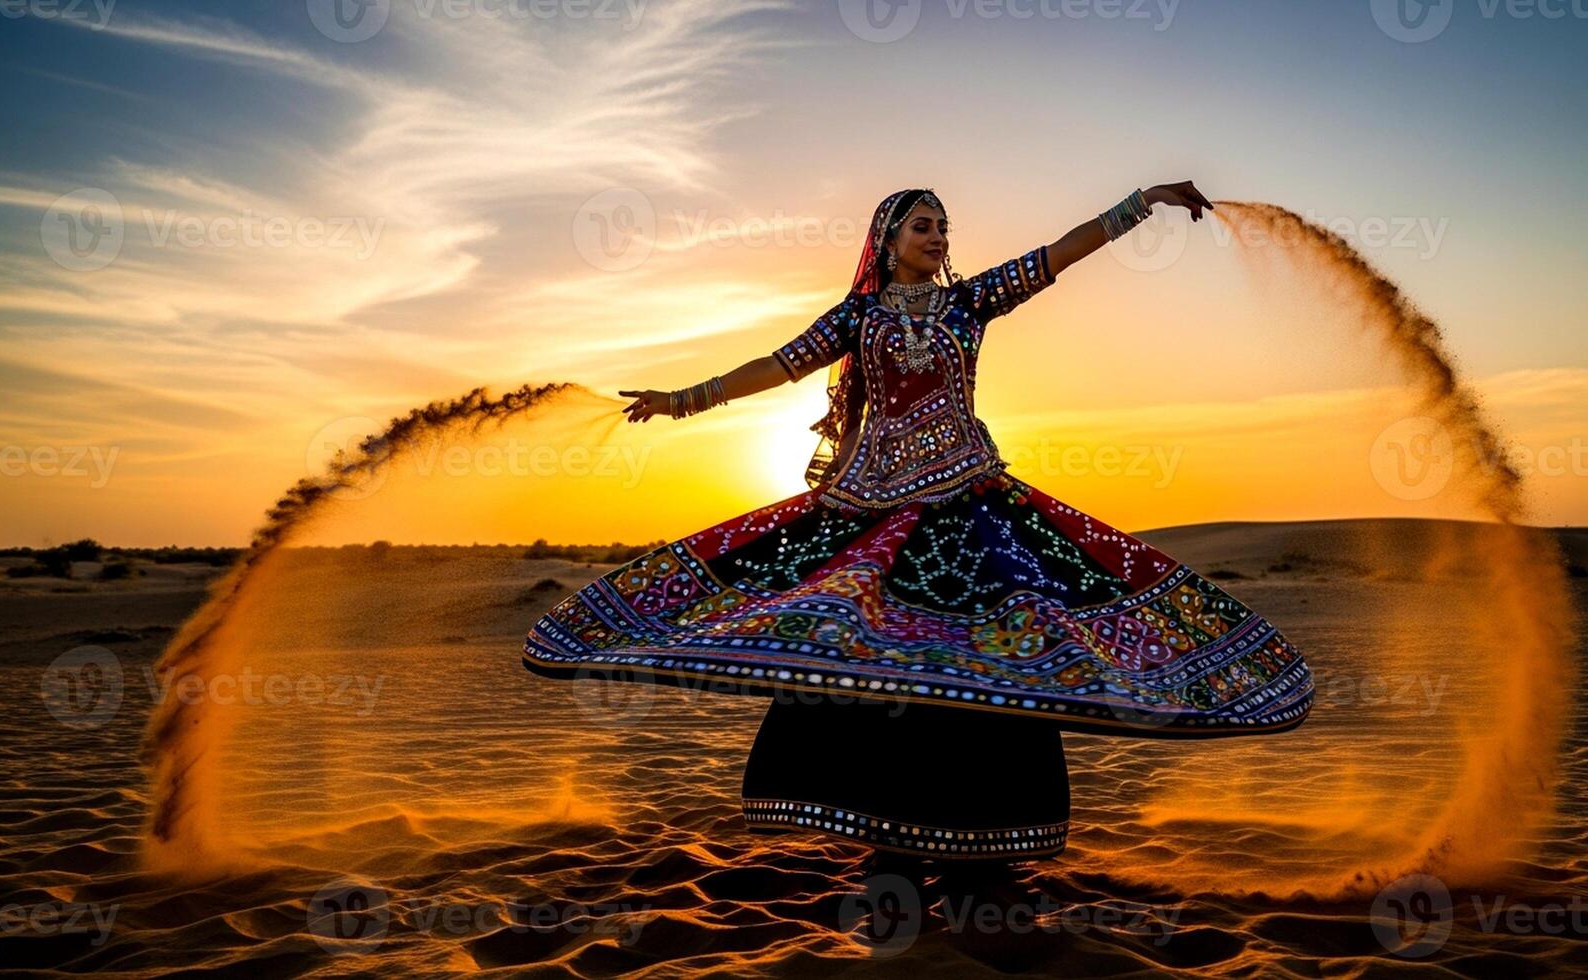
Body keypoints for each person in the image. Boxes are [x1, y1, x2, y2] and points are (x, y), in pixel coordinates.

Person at [523, 185, 1313, 863]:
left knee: (998, 644)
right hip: (869, 506)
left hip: (969, 499)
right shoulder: (858, 318)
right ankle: (876, 816)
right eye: (922, 227)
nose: (937, 239)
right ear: (887, 240)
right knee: (848, 633)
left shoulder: (972, 300)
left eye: (943, 228)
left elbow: (1059, 253)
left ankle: (979, 822)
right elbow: (780, 362)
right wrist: (682, 399)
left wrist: (1140, 203)